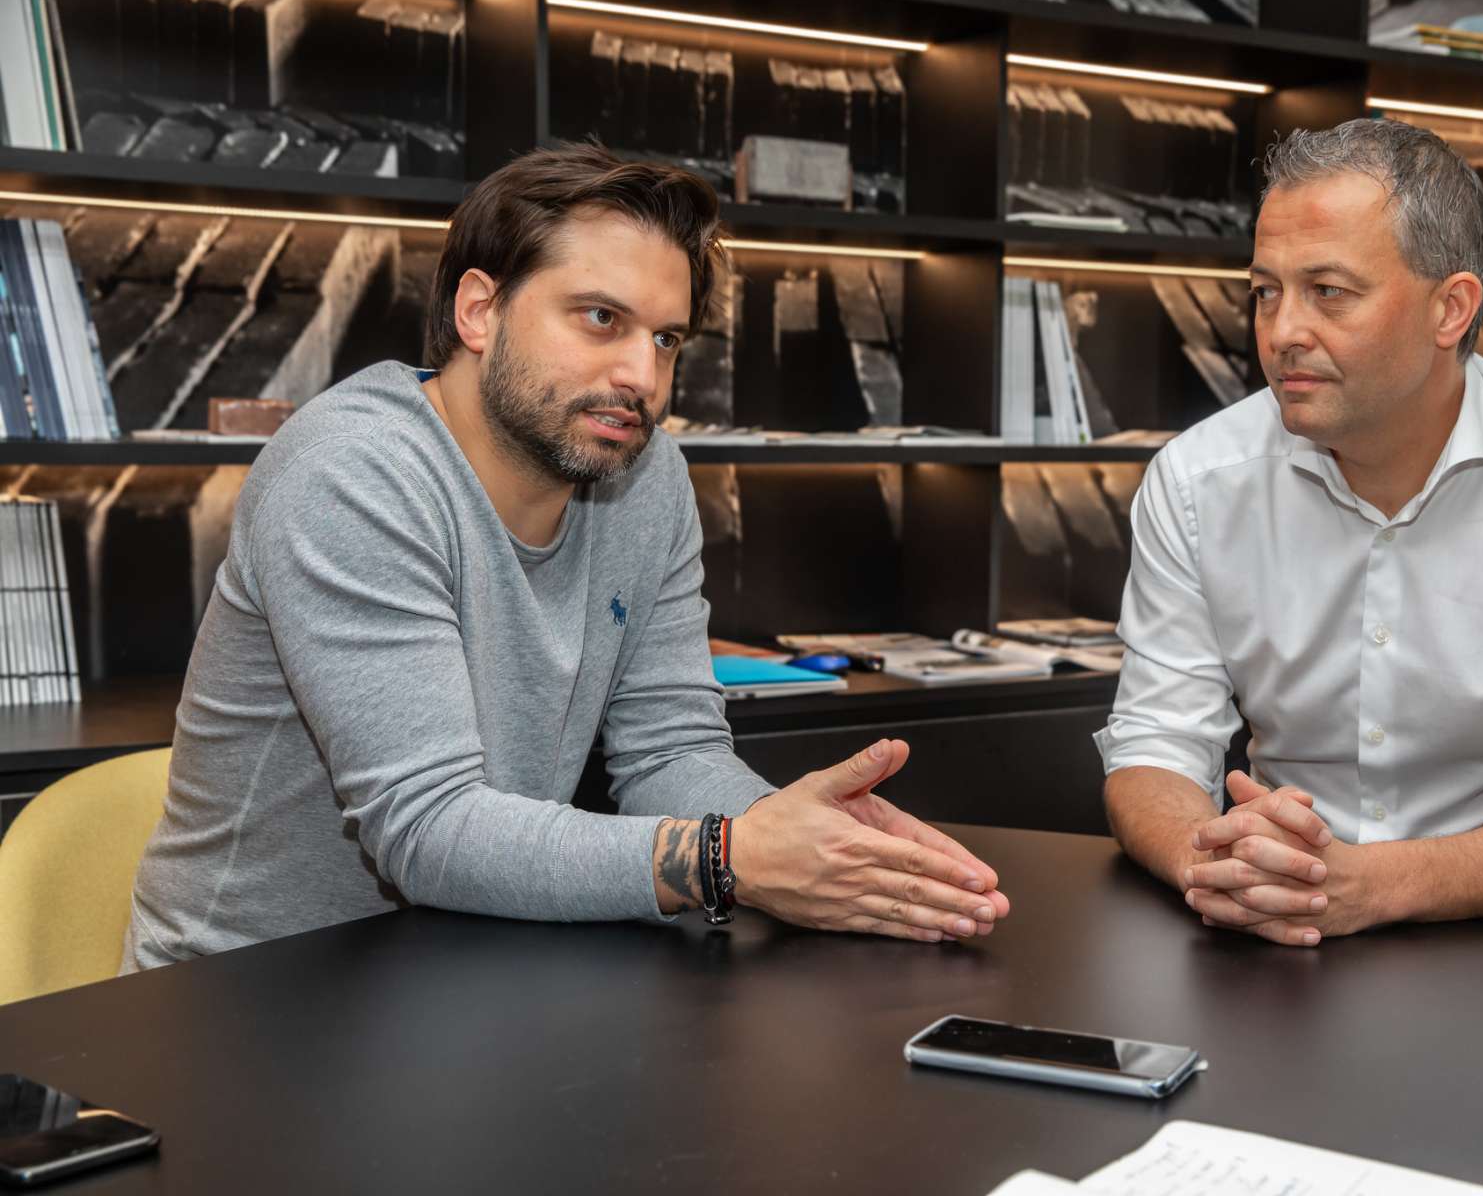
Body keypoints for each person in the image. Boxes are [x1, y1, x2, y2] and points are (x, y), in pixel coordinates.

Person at [122, 142, 1008, 971]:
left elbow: (668, 752)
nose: (642, 376)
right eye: (600, 318)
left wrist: (810, 840)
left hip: (467, 967)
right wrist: (732, 857)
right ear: (479, 309)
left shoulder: (646, 474)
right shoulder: (352, 473)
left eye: (665, 339)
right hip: (254, 1003)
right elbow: (428, 830)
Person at [1097, 117, 1483, 947]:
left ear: (1450, 307)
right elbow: (1154, 745)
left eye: (1329, 291)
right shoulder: (1197, 480)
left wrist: (1364, 884)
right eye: (1266, 291)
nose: (1281, 333)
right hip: (1273, 919)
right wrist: (1210, 863)